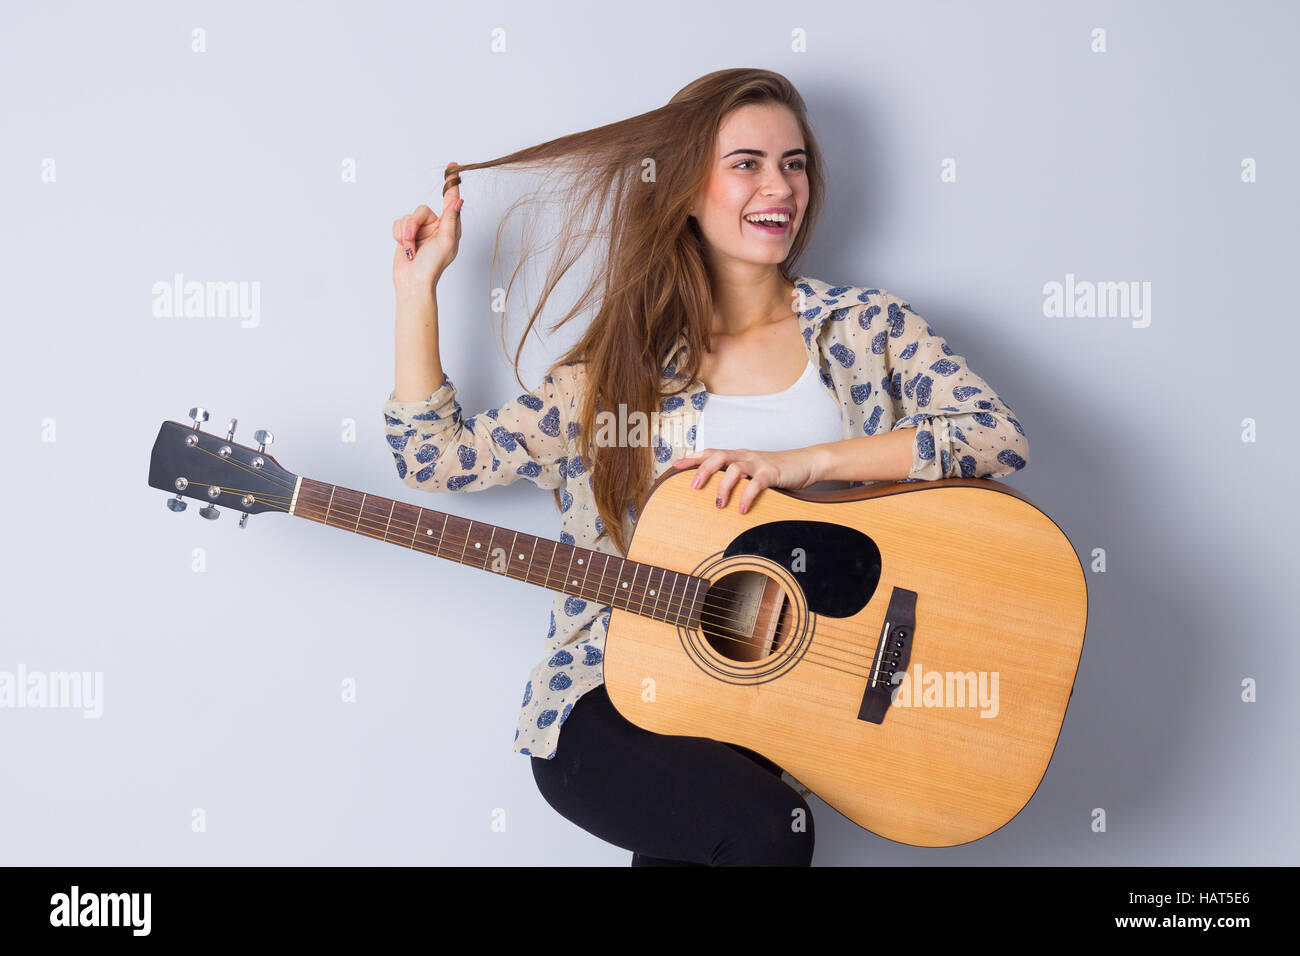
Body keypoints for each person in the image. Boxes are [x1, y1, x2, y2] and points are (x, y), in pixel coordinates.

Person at [381, 68, 1029, 866]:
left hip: (764, 710)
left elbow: (991, 434)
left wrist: (802, 463)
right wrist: (418, 291)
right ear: (687, 188)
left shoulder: (864, 329)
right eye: (747, 163)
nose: (779, 186)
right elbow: (433, 460)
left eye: (794, 163)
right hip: (609, 699)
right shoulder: (616, 375)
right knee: (769, 835)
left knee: (746, 830)